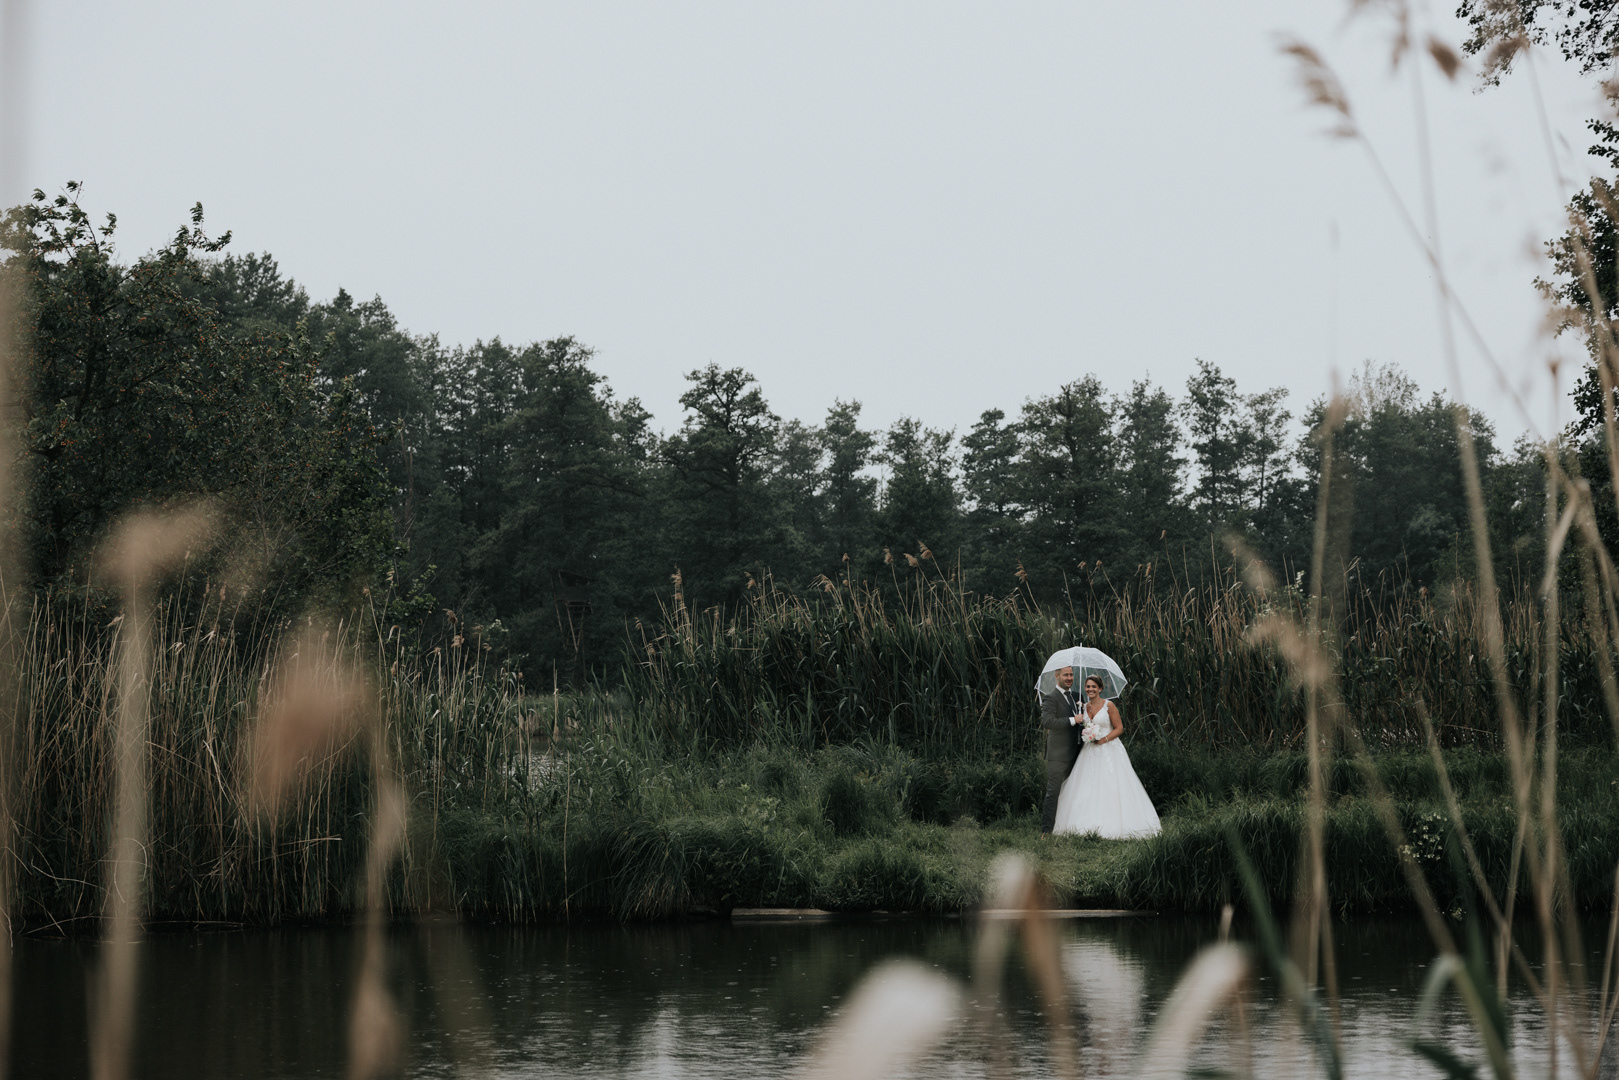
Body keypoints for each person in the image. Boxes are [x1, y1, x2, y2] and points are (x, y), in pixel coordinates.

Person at [1052, 675, 1161, 839]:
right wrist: (1087, 733)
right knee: (1086, 785)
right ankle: (1085, 823)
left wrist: (1103, 739)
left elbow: (1119, 728)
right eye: (1088, 686)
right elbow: (1084, 726)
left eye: (1093, 686)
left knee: (1111, 784)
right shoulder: (1084, 707)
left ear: (1100, 688)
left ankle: (1114, 823)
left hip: (1109, 749)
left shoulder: (1108, 705)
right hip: (1089, 751)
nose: (1090, 689)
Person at [1039, 665, 1082, 834]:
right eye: (1066, 675)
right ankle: (1046, 830)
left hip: (1078, 751)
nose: (1069, 678)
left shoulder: (1077, 696)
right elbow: (1048, 722)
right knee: (1053, 791)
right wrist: (1073, 720)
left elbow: (1083, 720)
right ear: (1057, 676)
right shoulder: (1050, 698)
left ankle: (1073, 826)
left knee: (1076, 789)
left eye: (1071, 675)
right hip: (1058, 754)